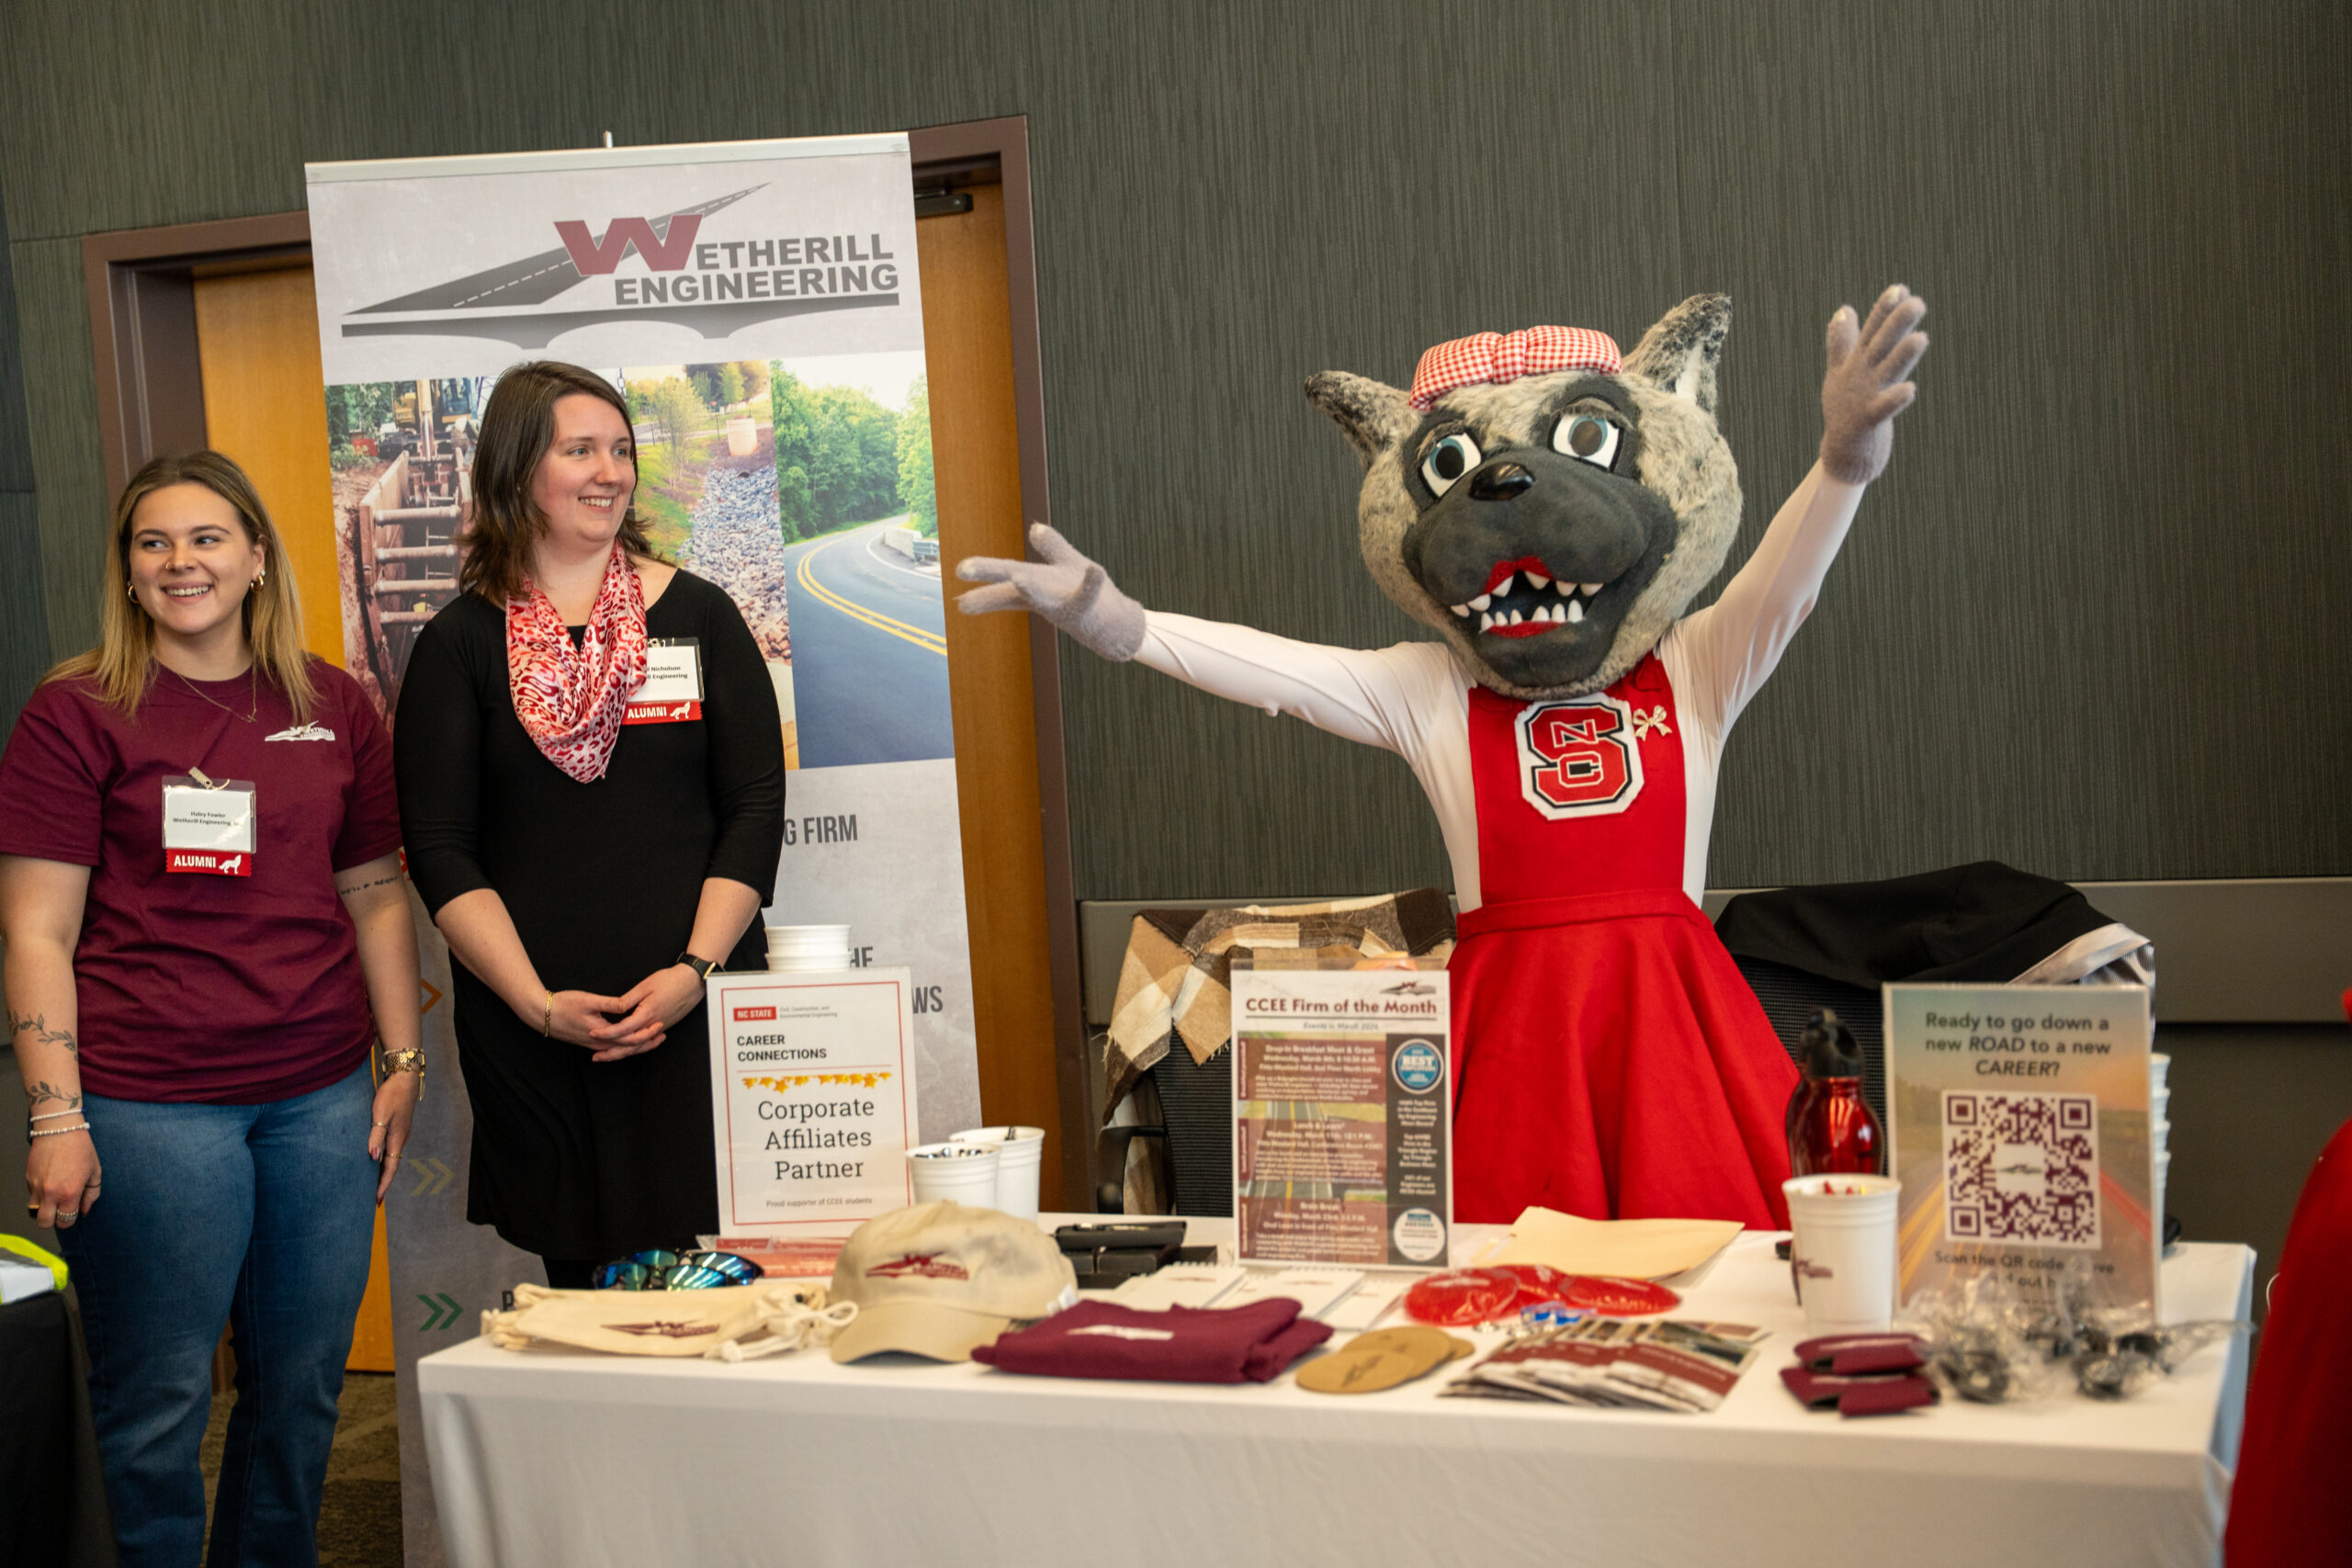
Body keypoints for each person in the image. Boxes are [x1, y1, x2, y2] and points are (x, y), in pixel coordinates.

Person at [0, 451, 421, 1567]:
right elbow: (36, 928)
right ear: (129, 573)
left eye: (205, 538)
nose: (180, 561)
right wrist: (56, 1116)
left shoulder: (332, 703)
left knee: (302, 1392)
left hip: (321, 1098)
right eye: (153, 542)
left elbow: (375, 891)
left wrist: (404, 1058)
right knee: (158, 1401)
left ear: (256, 558)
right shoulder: (77, 710)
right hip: (149, 1105)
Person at [394, 361, 784, 1287]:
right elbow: (441, 849)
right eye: (581, 450)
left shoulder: (699, 616)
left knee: (729, 1289)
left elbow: (753, 809)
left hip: (699, 1011)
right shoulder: (459, 645)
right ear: (518, 468)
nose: (609, 471)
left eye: (621, 450)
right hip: (537, 1030)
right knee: (586, 1299)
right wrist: (536, 1005)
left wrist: (694, 973)